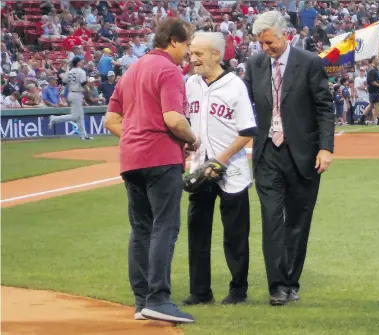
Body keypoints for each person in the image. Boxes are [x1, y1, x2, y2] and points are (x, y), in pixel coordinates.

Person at [104, 18, 197, 323]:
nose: (187, 52)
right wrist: (192, 139)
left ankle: (141, 301)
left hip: (131, 159)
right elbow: (173, 118)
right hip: (160, 157)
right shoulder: (168, 70)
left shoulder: (132, 70)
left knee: (141, 229)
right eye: (186, 44)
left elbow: (111, 120)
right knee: (164, 227)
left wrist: (134, 136)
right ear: (173, 41)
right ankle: (158, 298)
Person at [244, 11, 335, 306]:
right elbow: (244, 106)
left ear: (285, 35)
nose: (265, 48)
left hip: (303, 154)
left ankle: (291, 282)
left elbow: (324, 108)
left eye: (269, 42)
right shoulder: (254, 65)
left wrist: (325, 148)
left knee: (298, 221)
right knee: (271, 220)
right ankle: (277, 286)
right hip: (267, 151)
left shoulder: (310, 63)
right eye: (260, 42)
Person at [183, 32, 256, 306]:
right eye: (191, 53)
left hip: (232, 171)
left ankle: (238, 291)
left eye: (199, 54)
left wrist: (221, 159)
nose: (193, 59)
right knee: (197, 232)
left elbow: (248, 131)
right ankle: (200, 292)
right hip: (200, 170)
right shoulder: (190, 83)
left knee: (235, 236)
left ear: (216, 54)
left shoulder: (235, 85)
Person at [48, 56, 93, 140]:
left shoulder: (70, 71)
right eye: (81, 61)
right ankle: (54, 118)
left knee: (80, 116)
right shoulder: (81, 71)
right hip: (77, 94)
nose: (82, 62)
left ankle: (83, 135)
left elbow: (64, 82)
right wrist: (88, 89)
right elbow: (83, 82)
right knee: (75, 116)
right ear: (78, 62)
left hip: (71, 93)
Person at [359, 55, 379, 125]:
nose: (378, 60)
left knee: (373, 104)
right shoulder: (372, 69)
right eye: (377, 59)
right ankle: (378, 120)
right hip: (373, 90)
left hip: (375, 89)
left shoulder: (375, 69)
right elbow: (371, 81)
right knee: (373, 104)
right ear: (373, 60)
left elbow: (377, 80)